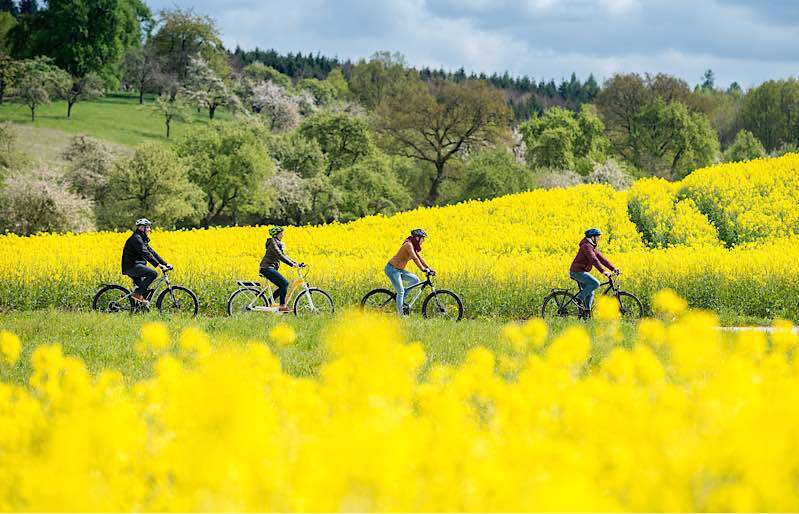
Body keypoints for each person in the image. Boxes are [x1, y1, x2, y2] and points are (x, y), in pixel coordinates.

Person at [385, 228, 435, 316]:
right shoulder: (408, 245)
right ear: (417, 238)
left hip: (399, 270)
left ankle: (400, 299)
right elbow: (415, 258)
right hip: (392, 269)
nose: (423, 241)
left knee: (415, 280)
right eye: (422, 238)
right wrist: (423, 269)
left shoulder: (413, 246)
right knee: (400, 291)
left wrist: (429, 268)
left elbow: (420, 258)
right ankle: (400, 316)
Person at [121, 218, 171, 305]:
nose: (149, 230)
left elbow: (152, 253)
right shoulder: (136, 239)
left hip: (136, 266)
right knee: (153, 274)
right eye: (147, 227)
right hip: (131, 266)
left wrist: (165, 263)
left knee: (144, 291)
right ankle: (137, 294)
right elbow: (145, 254)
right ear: (141, 228)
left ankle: (138, 307)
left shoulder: (142, 239)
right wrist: (158, 265)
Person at [569, 228, 618, 313]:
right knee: (595, 283)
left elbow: (602, 259)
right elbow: (593, 260)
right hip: (577, 272)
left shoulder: (592, 246)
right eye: (598, 237)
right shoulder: (586, 246)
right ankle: (579, 299)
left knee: (590, 292)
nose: (599, 238)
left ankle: (586, 313)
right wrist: (603, 271)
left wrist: (613, 268)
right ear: (592, 237)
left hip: (581, 271)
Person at [259, 226, 303, 312]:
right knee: (285, 284)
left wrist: (295, 263)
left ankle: (268, 303)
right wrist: (291, 265)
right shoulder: (273, 243)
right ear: (276, 234)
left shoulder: (277, 242)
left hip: (269, 268)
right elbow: (280, 255)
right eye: (281, 233)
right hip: (267, 268)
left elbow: (284, 255)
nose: (283, 235)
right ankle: (282, 306)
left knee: (282, 285)